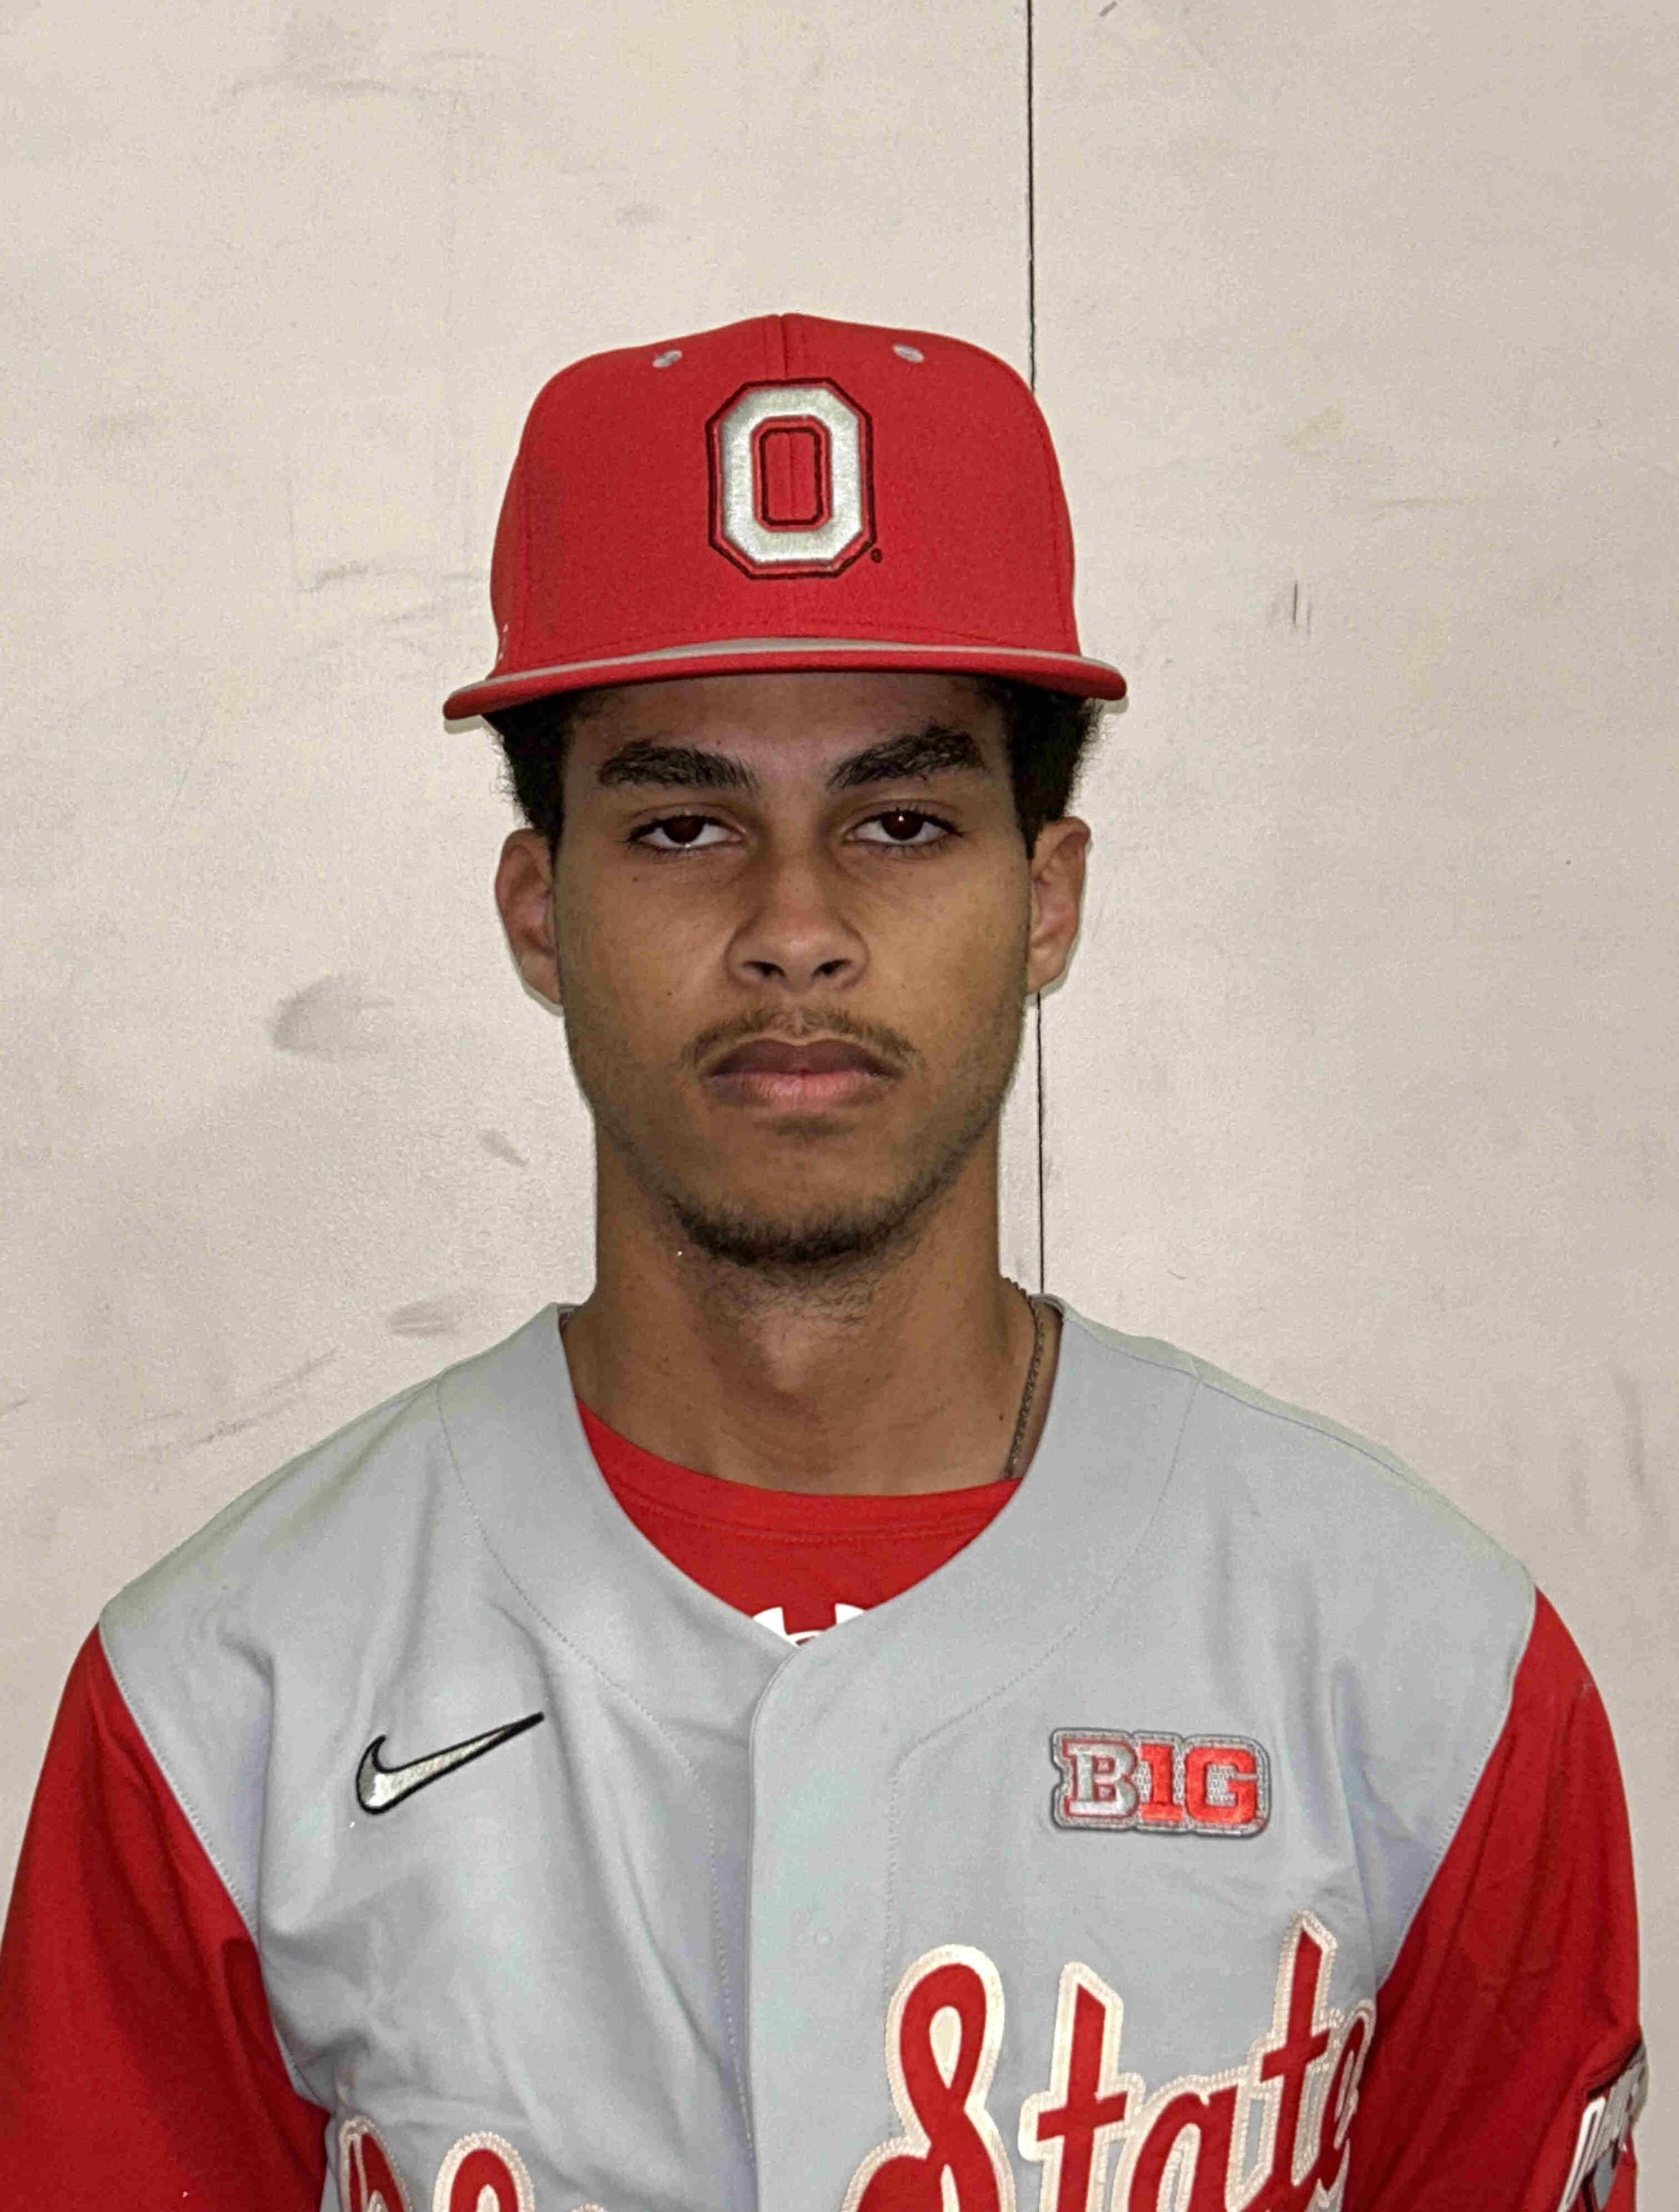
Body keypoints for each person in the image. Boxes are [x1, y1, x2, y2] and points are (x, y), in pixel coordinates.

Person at [0, 312, 1646, 2211]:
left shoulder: (1427, 1674)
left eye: (903, 820)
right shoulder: (224, 1705)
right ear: (540, 912)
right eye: (685, 824)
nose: (796, 925)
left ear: (1048, 899)